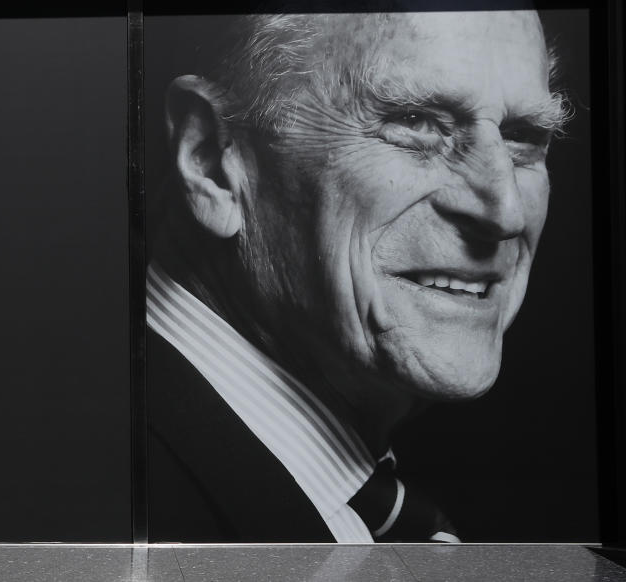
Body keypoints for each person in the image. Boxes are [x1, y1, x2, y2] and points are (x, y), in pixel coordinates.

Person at [146, 10, 569, 542]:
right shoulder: (103, 494)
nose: (505, 212)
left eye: (522, 136)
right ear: (211, 161)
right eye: (416, 123)